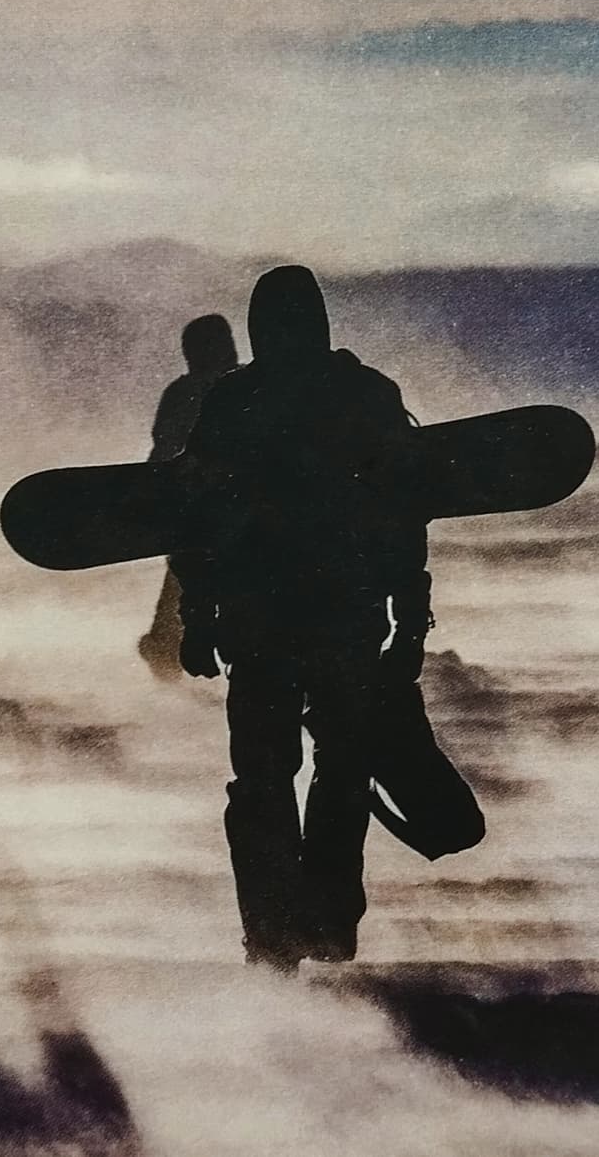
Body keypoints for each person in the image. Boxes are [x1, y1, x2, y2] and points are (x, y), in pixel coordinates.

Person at [171, 266, 478, 973]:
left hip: (264, 623)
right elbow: (403, 515)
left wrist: (198, 616)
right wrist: (409, 623)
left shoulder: (235, 400)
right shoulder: (364, 394)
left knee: (267, 778)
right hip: (342, 618)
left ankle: (274, 938)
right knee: (339, 766)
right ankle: (327, 924)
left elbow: (193, 514)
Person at [137, 315, 239, 679]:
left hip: (202, 521)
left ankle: (168, 663)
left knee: (185, 592)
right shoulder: (250, 384)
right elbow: (164, 453)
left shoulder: (185, 393)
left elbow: (162, 456)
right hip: (229, 521)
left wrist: (148, 499)